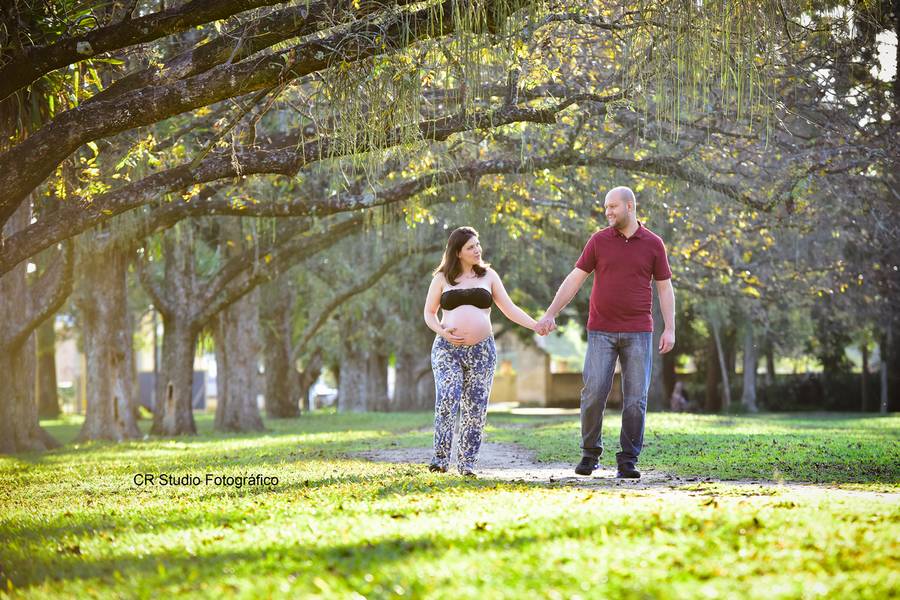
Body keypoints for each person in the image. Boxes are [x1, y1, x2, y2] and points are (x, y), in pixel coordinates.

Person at [536, 186, 675, 479]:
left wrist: (670, 328)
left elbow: (664, 287)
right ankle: (590, 454)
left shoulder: (653, 244)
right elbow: (575, 279)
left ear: (630, 206)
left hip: (639, 332)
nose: (608, 212)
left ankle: (628, 460)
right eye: (605, 208)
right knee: (593, 393)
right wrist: (551, 312)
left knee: (636, 398)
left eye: (612, 206)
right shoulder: (598, 241)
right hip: (601, 331)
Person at [423, 226, 538, 476]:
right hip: (447, 349)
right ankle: (440, 460)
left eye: (478, 244)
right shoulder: (442, 278)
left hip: (482, 352)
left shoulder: (489, 276)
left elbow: (509, 308)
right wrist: (442, 332)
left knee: (475, 407)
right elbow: (429, 313)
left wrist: (535, 325)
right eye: (470, 247)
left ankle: (467, 464)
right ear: (458, 252)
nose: (477, 250)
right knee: (448, 397)